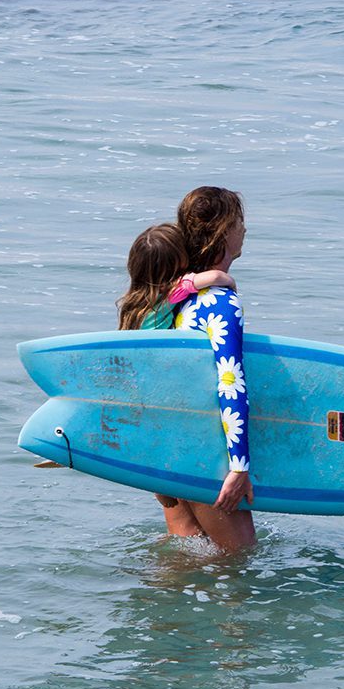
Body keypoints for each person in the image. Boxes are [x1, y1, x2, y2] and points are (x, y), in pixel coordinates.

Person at [116, 194, 256, 551]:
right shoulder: (217, 301)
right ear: (225, 231)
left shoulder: (157, 301)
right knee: (235, 568)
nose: (246, 229)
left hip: (163, 441)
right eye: (240, 222)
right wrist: (238, 465)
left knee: (184, 559)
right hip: (202, 450)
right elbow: (229, 382)